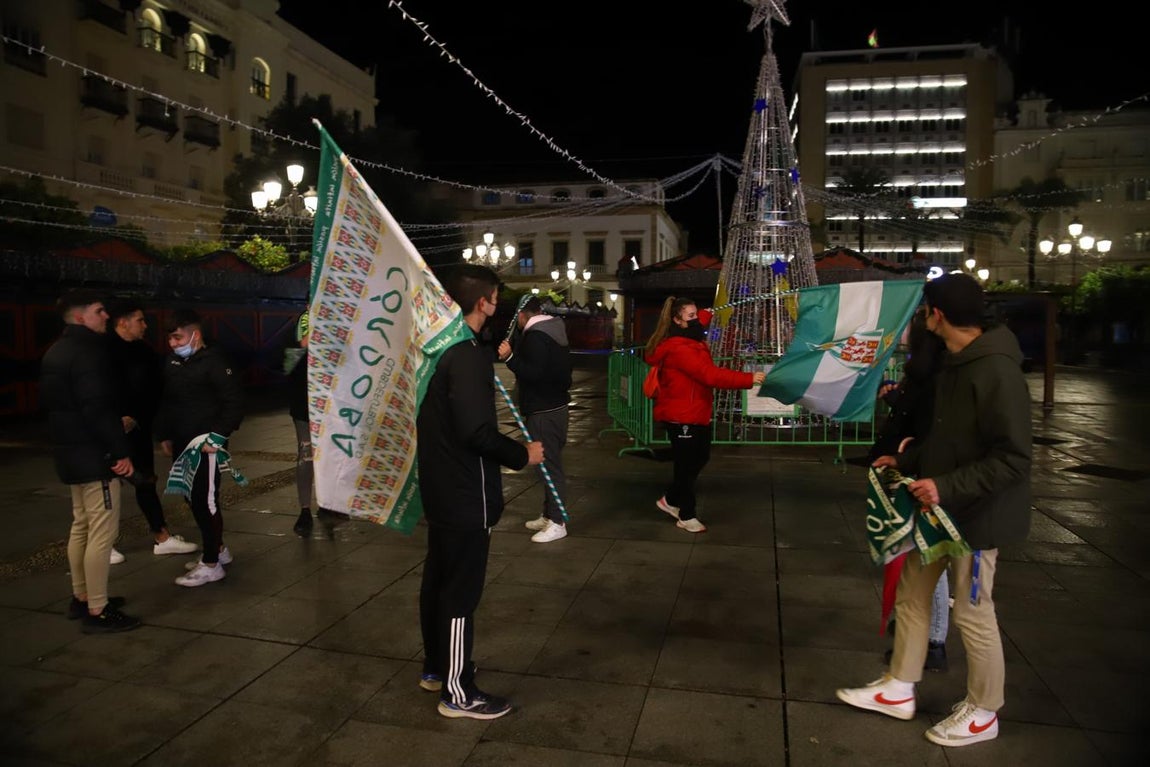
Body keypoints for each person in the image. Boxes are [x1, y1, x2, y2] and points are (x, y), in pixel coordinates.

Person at [836, 273, 1032, 748]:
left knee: (972, 613)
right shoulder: (958, 361)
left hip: (976, 517)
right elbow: (946, 436)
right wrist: (904, 461)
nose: (923, 320)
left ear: (937, 315)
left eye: (925, 311)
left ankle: (985, 712)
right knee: (912, 593)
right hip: (939, 510)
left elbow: (1014, 458)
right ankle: (899, 686)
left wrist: (944, 485)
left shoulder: (997, 371)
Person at [416, 264, 545, 720]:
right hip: (466, 492)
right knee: (459, 592)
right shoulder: (467, 354)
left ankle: (437, 667)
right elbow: (476, 433)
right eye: (495, 296)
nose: (497, 303)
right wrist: (522, 454)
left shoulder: (439, 347)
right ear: (483, 302)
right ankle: (458, 688)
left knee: (439, 581)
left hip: (441, 486)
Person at [39, 289, 141, 633]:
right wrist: (119, 452)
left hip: (71, 455)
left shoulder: (56, 352)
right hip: (95, 457)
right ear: (81, 316)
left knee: (81, 525)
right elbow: (96, 408)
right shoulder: (89, 354)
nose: (106, 316)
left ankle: (81, 597)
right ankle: (99, 609)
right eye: (100, 311)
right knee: (102, 533)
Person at [869, 307, 950, 673]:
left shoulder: (937, 375)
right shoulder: (920, 372)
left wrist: (907, 458)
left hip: (921, 477)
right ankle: (915, 630)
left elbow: (932, 427)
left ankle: (932, 640)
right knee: (912, 555)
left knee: (931, 557)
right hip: (907, 473)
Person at [643, 296, 765, 533]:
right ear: (678, 320)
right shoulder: (680, 348)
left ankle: (669, 500)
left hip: (696, 411)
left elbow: (699, 323)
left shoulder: (690, 339)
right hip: (681, 414)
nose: (697, 320)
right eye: (691, 317)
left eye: (696, 315)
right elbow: (709, 375)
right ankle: (686, 515)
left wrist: (706, 313)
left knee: (699, 458)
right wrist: (748, 379)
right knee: (686, 466)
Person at [155, 309, 244, 587]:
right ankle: (217, 549)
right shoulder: (172, 362)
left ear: (196, 334)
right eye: (170, 339)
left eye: (178, 338)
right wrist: (166, 435)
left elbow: (234, 403)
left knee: (205, 501)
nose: (173, 344)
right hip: (182, 442)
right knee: (191, 497)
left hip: (206, 445)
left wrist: (217, 437)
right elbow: (168, 401)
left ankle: (211, 564)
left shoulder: (215, 362)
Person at [106, 300, 199, 560]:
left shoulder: (145, 352)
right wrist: (115, 418)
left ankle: (161, 536)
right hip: (109, 431)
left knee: (145, 481)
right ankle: (104, 544)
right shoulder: (102, 350)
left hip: (139, 427)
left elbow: (156, 391)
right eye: (140, 320)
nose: (145, 326)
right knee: (107, 486)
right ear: (123, 322)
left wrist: (141, 419)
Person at [497, 296, 573, 543]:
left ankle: (558, 522)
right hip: (555, 407)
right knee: (547, 465)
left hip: (543, 411)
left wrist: (509, 358)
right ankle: (549, 514)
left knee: (550, 467)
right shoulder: (553, 330)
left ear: (521, 315)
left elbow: (534, 373)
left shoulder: (536, 336)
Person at [285, 312, 316, 535]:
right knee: (306, 455)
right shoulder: (299, 327)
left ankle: (331, 506)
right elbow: (285, 366)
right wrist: (302, 345)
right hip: (304, 406)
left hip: (334, 407)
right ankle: (305, 510)